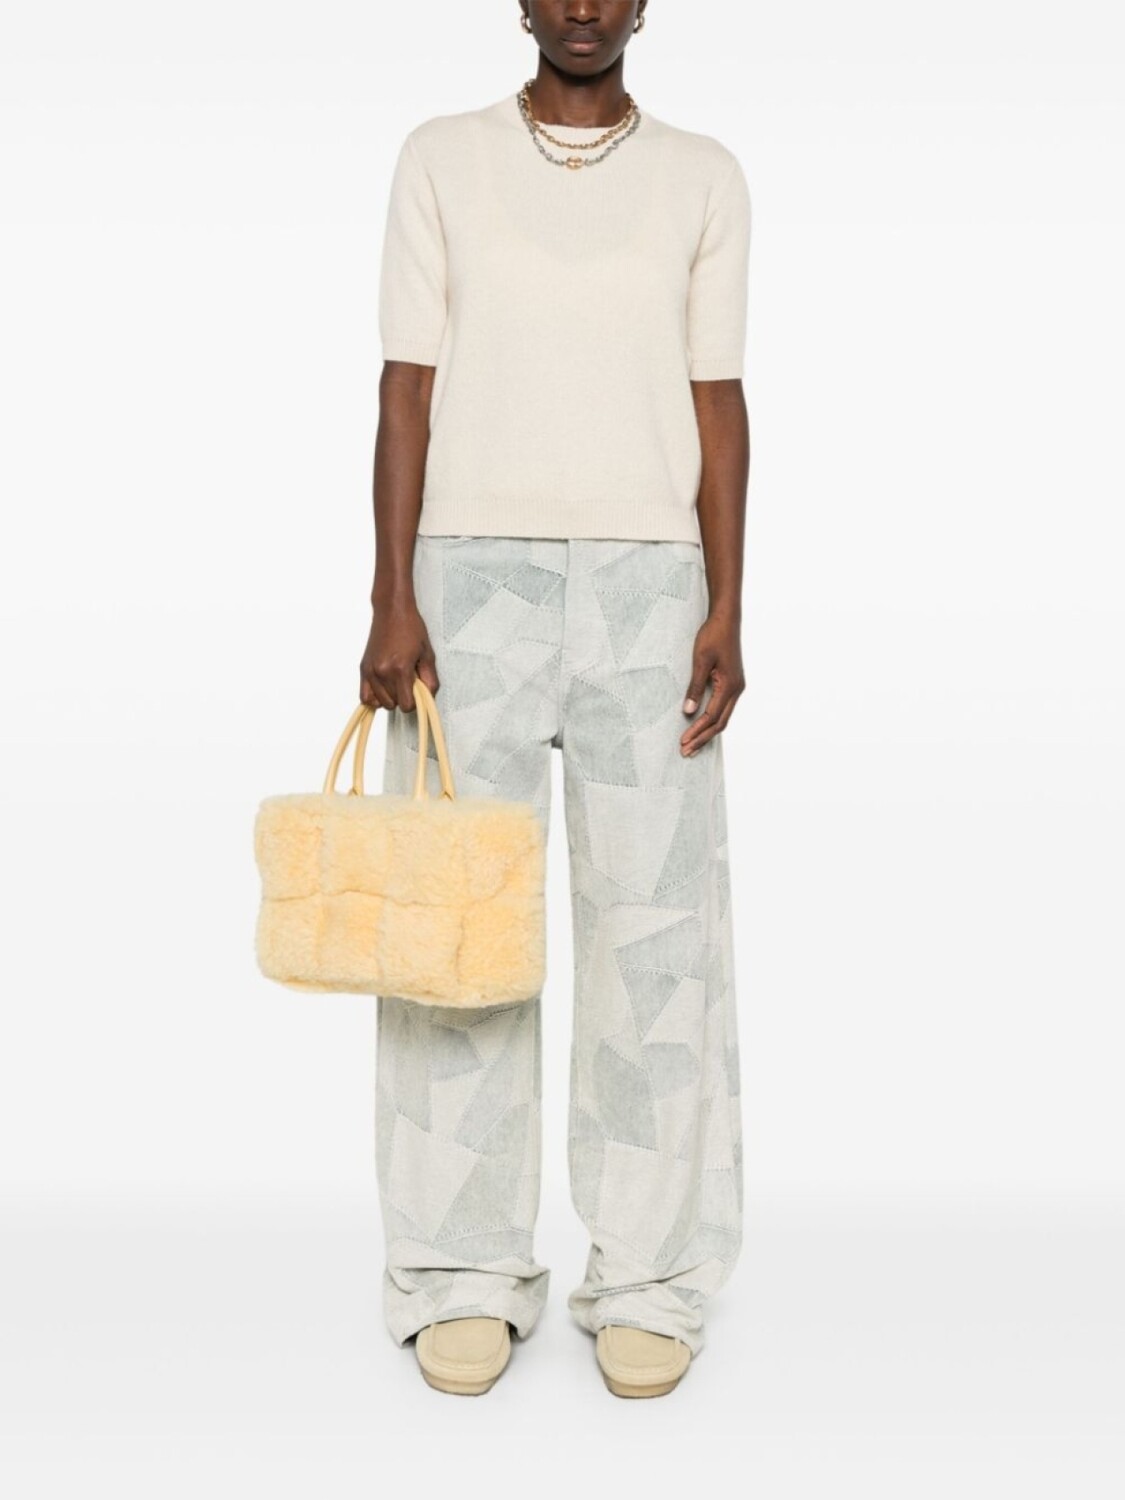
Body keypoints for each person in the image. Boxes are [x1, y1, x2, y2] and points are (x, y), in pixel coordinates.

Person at [360, 0, 750, 1400]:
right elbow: (406, 389)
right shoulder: (441, 156)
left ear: (644, 5)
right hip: (467, 579)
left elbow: (718, 401)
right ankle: (458, 1272)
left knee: (658, 944)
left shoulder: (702, 175)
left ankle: (649, 1276)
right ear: (521, 2)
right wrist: (389, 595)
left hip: (654, 582)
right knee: (457, 933)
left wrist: (727, 602)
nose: (584, 4)